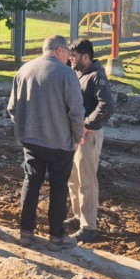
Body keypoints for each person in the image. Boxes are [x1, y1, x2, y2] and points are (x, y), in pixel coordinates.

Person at [7, 35, 84, 250]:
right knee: (58, 188)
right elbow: (76, 111)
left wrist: (25, 128)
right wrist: (77, 137)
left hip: (31, 140)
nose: (69, 57)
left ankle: (26, 233)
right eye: (68, 52)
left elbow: (12, 108)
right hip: (60, 142)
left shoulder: (24, 70)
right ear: (59, 50)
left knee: (31, 183)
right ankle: (56, 237)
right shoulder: (66, 74)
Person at [66, 39, 115, 243]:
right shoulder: (78, 73)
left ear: (86, 57)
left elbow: (107, 105)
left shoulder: (96, 77)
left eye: (74, 56)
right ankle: (78, 216)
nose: (71, 59)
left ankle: (89, 227)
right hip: (76, 134)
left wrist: (86, 125)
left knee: (87, 180)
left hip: (88, 135)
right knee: (73, 178)